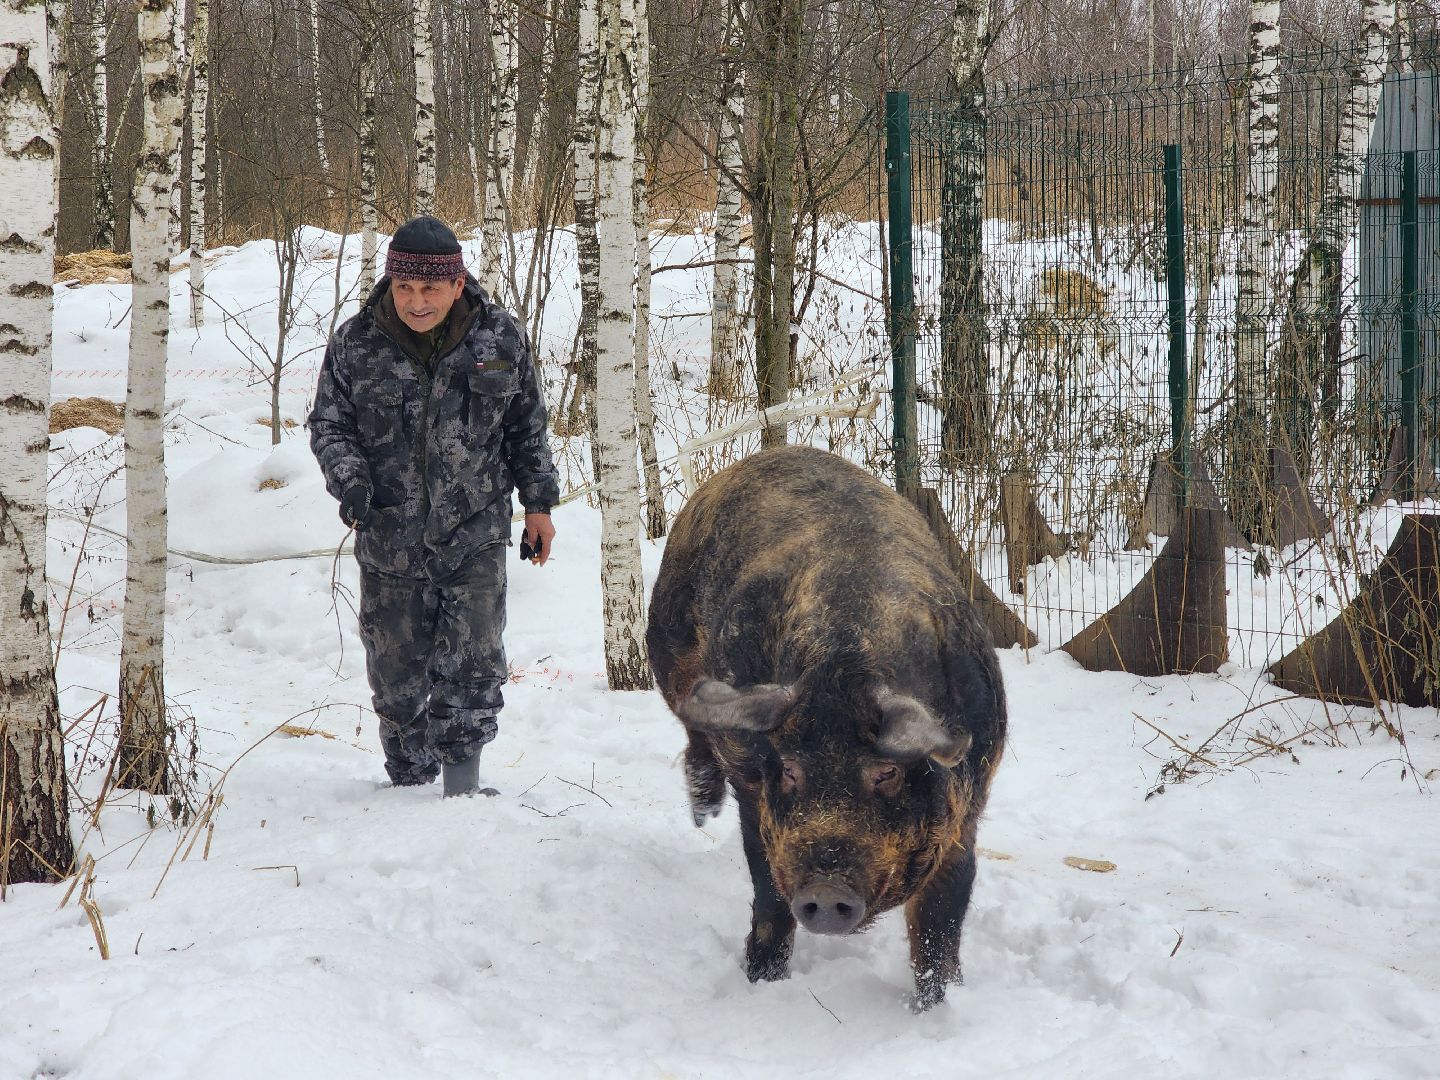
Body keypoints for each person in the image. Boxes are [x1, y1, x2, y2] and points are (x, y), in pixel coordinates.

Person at [309, 215, 559, 797]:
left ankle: (462, 790)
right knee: (396, 678)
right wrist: (349, 481)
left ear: (456, 283)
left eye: (429, 289)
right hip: (389, 534)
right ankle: (407, 786)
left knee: (473, 662)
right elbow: (329, 424)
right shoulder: (356, 341)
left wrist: (539, 505)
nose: (416, 302)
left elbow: (527, 428)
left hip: (474, 531)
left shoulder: (500, 338)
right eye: (404, 288)